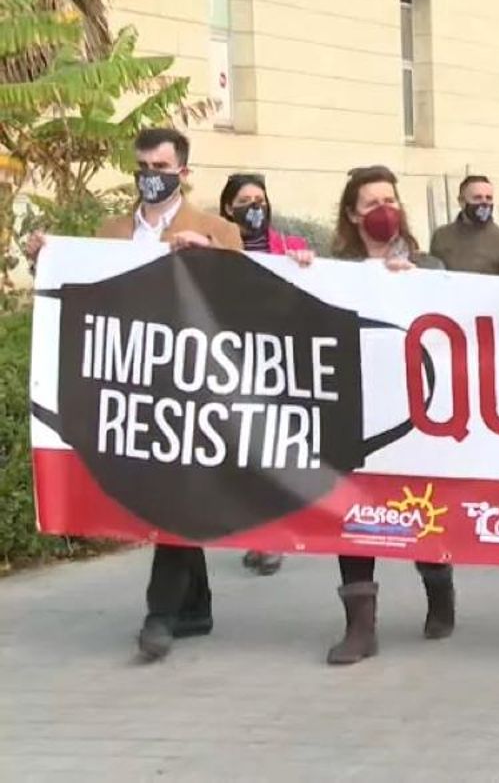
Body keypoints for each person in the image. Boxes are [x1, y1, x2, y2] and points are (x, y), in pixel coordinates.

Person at [25, 128, 244, 661]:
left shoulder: (217, 230)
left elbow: (243, 300)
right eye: (143, 163)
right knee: (164, 494)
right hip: (128, 380)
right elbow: (84, 290)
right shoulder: (111, 230)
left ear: (182, 173)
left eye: (162, 165)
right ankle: (196, 606)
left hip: (190, 385)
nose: (151, 173)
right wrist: (46, 259)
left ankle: (160, 614)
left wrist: (208, 258)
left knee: (172, 493)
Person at [322, 165, 455, 666]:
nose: (384, 210)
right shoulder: (339, 270)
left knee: (420, 508)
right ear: (353, 215)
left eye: (390, 199)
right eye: (372, 203)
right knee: (352, 509)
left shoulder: (430, 264)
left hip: (415, 408)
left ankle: (439, 586)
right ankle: (360, 625)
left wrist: (417, 283)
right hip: (356, 409)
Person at [219, 171, 311, 578]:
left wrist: (306, 267)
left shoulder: (293, 248)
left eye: (261, 199)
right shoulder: (217, 247)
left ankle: (270, 537)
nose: (255, 207)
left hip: (277, 360)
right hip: (229, 358)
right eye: (245, 201)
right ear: (228, 208)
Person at [428, 175, 499, 276]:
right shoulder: (441, 237)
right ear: (462, 201)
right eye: (477, 198)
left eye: (488, 198)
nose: (484, 202)